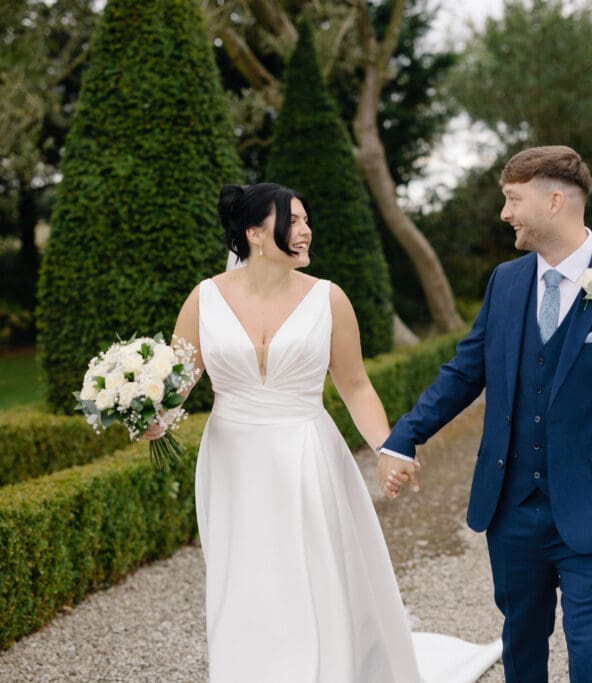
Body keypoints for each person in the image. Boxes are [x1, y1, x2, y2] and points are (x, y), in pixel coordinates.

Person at [144, 182, 499, 682]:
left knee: (314, 573)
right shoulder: (204, 299)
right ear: (255, 234)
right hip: (232, 461)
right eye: (294, 220)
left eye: (307, 219)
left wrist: (388, 447)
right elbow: (181, 379)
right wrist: (153, 415)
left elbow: (354, 385)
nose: (307, 230)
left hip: (307, 454)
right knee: (242, 576)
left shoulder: (329, 299)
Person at [378, 146, 592, 682]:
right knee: (521, 647)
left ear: (556, 201)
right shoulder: (507, 282)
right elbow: (464, 373)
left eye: (514, 200)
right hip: (512, 510)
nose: (505, 214)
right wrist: (404, 437)